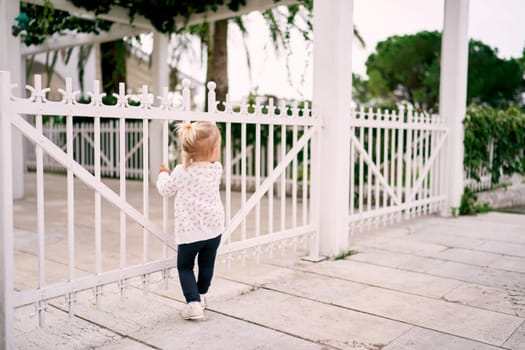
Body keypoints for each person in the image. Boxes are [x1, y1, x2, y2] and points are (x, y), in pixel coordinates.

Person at [156, 121, 224, 320]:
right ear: (213, 151)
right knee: (207, 264)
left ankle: (193, 303)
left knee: (185, 267)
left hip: (190, 232)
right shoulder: (216, 169)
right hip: (214, 228)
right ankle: (201, 295)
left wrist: (163, 174)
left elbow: (166, 190)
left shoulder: (181, 171)